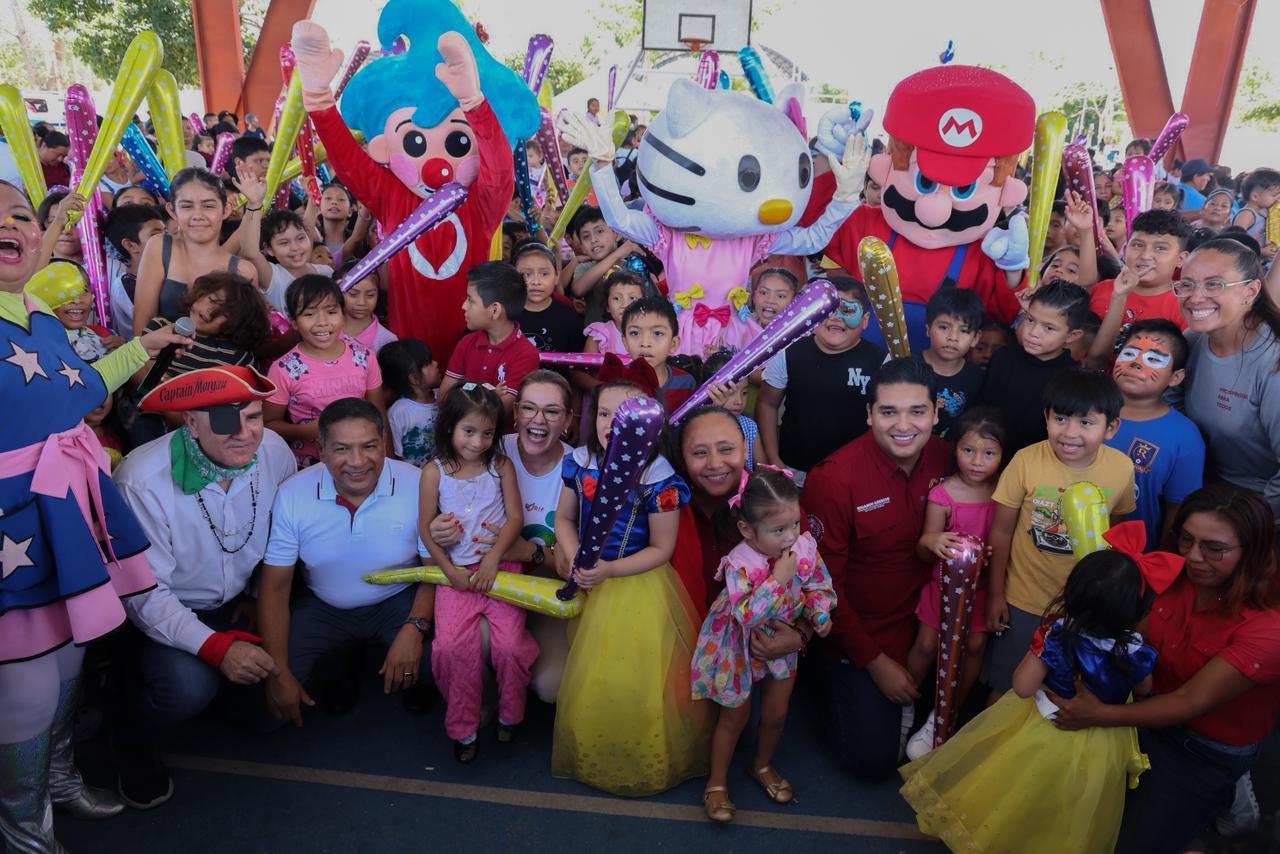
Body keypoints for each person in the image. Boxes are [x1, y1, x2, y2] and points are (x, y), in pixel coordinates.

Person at [0, 179, 190, 851]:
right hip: (10, 525)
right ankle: (25, 833)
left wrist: (144, 347)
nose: (10, 225)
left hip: (64, 511)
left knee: (67, 664)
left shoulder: (41, 316)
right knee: (24, 688)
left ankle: (58, 781)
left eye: (19, 214)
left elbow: (79, 388)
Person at [901, 527, 1177, 853]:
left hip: (1044, 732)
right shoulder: (1134, 650)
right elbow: (1145, 687)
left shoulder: (1057, 636)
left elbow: (1022, 686)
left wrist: (1038, 649)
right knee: (1069, 809)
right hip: (1102, 744)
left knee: (1019, 795)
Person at [1052, 485, 1280, 851]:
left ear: (1251, 551)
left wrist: (1097, 714)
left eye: (1214, 548)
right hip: (1142, 715)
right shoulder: (1171, 573)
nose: (1193, 557)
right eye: (1186, 539)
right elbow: (1132, 630)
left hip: (1201, 750)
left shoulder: (1269, 626)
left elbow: (1190, 700)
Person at [111, 366, 296, 807]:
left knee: (270, 716)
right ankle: (130, 737)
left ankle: (222, 691)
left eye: (253, 417)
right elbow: (143, 594)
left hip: (239, 603)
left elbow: (285, 535)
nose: (245, 434)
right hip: (165, 611)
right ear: (191, 423)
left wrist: (256, 596)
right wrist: (218, 650)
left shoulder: (275, 451)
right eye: (226, 420)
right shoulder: (141, 480)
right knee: (185, 690)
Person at [552, 376, 711, 795]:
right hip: (589, 578)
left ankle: (641, 756)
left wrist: (608, 570)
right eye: (604, 413)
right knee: (594, 677)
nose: (612, 424)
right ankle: (598, 747)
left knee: (635, 678)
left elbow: (661, 548)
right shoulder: (582, 460)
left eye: (625, 417)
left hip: (637, 587)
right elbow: (564, 519)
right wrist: (574, 554)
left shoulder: (658, 476)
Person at [801, 357, 953, 780]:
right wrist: (874, 661)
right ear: (869, 414)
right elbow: (822, 586)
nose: (903, 425)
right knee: (871, 763)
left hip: (927, 626)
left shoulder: (947, 458)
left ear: (936, 413)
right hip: (862, 634)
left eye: (917, 411)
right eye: (888, 412)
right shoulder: (834, 479)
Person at [258, 398, 435, 727]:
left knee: (436, 662)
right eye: (341, 449)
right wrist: (278, 673)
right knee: (274, 689)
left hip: (397, 600)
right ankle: (340, 668)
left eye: (369, 446)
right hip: (324, 605)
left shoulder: (418, 484)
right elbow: (276, 587)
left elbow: (434, 572)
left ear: (383, 443)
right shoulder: (293, 494)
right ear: (321, 450)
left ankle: (414, 680)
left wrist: (415, 628)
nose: (357, 462)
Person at [692, 467, 835, 823]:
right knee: (734, 717)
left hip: (783, 639)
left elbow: (818, 585)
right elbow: (746, 615)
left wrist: (819, 614)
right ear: (746, 529)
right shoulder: (739, 563)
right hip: (739, 644)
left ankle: (762, 764)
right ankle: (716, 782)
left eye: (795, 524)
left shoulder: (803, 547)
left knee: (776, 712)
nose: (791, 536)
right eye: (778, 530)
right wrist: (776, 580)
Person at [984, 369, 1137, 696]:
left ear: (1111, 428)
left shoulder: (1122, 468)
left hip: (1085, 606)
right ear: (1046, 417)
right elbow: (1001, 531)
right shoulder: (1026, 461)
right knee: (1007, 688)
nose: (1070, 433)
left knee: (1062, 691)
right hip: (1024, 598)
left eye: (1086, 422)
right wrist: (996, 594)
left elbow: (1119, 532)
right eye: (1061, 418)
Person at [428, 371, 573, 703]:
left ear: (567, 419)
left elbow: (574, 568)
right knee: (469, 643)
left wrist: (529, 553)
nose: (538, 419)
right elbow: (441, 499)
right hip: (488, 581)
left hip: (547, 585)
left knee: (550, 687)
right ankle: (485, 702)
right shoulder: (483, 445)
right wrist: (438, 527)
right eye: (529, 408)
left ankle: (514, 695)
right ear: (515, 412)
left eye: (551, 411)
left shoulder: (578, 467)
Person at [417, 384, 537, 762]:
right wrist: (449, 571)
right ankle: (463, 728)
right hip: (457, 575)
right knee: (450, 648)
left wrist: (493, 558)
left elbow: (515, 518)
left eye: (487, 433)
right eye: (469, 431)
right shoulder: (434, 472)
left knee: (510, 646)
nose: (478, 442)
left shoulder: (499, 466)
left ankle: (510, 714)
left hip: (501, 569)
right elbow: (425, 528)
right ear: (449, 426)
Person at [904, 408, 1006, 759]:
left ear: (1002, 454)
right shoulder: (943, 494)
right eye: (968, 450)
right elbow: (923, 547)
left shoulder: (1004, 492)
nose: (977, 461)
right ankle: (904, 704)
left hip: (982, 590)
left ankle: (944, 715)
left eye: (989, 453)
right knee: (926, 645)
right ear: (955, 449)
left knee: (974, 646)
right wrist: (934, 542)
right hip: (943, 588)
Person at [1172, 238, 1280, 524]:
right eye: (1187, 284)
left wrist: (1248, 523)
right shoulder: (1192, 340)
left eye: (1214, 285)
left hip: (1259, 509)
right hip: (1203, 490)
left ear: (1251, 291)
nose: (1196, 297)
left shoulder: (1273, 362)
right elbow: (1172, 412)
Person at [757, 276, 885, 481]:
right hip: (794, 472)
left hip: (856, 474)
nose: (835, 317)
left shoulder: (881, 362)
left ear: (865, 320)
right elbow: (767, 404)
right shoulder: (788, 352)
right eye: (827, 309)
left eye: (848, 310)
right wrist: (774, 459)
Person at [266, 275, 385, 466]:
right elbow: (269, 425)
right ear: (294, 321)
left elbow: (379, 416)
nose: (322, 322)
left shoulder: (364, 357)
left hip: (361, 462)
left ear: (342, 313)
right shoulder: (283, 369)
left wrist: (388, 461)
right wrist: (304, 432)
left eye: (331, 312)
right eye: (309, 314)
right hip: (310, 466)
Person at [1106, 320, 1205, 550]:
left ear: (1176, 377)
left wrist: (1160, 561)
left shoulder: (1184, 437)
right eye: (1129, 354)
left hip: (1130, 560)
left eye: (1153, 359)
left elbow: (1177, 510)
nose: (1136, 363)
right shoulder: (1085, 408)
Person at [132, 168, 257, 334]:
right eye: (187, 206)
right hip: (155, 350)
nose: (198, 215)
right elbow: (142, 325)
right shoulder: (159, 246)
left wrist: (255, 204)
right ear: (172, 211)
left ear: (226, 210)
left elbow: (245, 337)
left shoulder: (244, 271)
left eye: (208, 206)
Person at [978, 279, 1089, 452]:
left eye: (1049, 328)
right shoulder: (1002, 358)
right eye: (1030, 320)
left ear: (1072, 336)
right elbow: (982, 412)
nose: (1034, 333)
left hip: (1035, 462)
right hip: (987, 455)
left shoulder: (1072, 379)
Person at [1086, 210, 1191, 369]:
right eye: (1138, 245)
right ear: (1125, 249)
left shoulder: (1185, 306)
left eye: (1160, 248)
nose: (1145, 255)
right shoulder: (1101, 289)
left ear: (1181, 259)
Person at [439, 260, 540, 420]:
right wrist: (488, 395)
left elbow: (499, 414)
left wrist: (462, 393)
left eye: (470, 300)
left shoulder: (526, 354)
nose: (464, 306)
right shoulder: (466, 342)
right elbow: (443, 398)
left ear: (495, 310)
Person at [135, 271, 269, 386]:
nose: (212, 311)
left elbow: (249, 390)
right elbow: (139, 368)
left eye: (225, 314)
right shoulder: (161, 326)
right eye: (212, 300)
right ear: (200, 292)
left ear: (233, 326)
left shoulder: (236, 355)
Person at [238, 182, 335, 313]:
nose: (295, 248)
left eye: (300, 238)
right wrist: (254, 204)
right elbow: (250, 252)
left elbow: (308, 226)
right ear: (269, 249)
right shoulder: (273, 277)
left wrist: (312, 195)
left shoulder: (327, 272)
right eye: (284, 243)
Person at [913, 288, 985, 438]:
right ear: (928, 329)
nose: (953, 337)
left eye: (964, 331)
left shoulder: (977, 378)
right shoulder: (908, 367)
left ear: (975, 338)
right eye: (944, 327)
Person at [565, 206, 641, 324]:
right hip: (598, 334)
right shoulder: (585, 267)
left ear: (617, 233)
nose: (593, 240)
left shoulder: (634, 263)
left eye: (599, 231)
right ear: (582, 246)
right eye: (586, 236)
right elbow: (578, 290)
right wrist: (616, 254)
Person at [104, 203, 166, 337]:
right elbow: (153, 329)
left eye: (165, 232)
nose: (166, 239)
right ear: (130, 245)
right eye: (155, 235)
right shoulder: (125, 284)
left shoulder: (168, 273)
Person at [379, 338, 441, 466]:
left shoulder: (443, 398)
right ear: (414, 378)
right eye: (428, 362)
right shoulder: (399, 412)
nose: (436, 363)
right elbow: (396, 457)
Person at [513, 240, 582, 354]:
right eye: (527, 274)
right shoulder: (506, 315)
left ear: (556, 276)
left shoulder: (569, 317)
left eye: (544, 274)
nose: (536, 282)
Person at [581, 268, 643, 359]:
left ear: (643, 305)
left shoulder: (652, 333)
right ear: (607, 306)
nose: (625, 304)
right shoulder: (599, 334)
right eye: (617, 298)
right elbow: (585, 366)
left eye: (632, 298)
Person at [340, 266, 398, 354]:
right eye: (353, 294)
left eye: (370, 295)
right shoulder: (325, 330)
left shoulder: (386, 340)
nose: (362, 302)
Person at [1232, 168, 1280, 250]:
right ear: (1255, 197)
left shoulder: (1264, 213)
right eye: (1274, 195)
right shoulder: (1247, 214)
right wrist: (1261, 251)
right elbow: (1235, 240)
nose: (1277, 199)